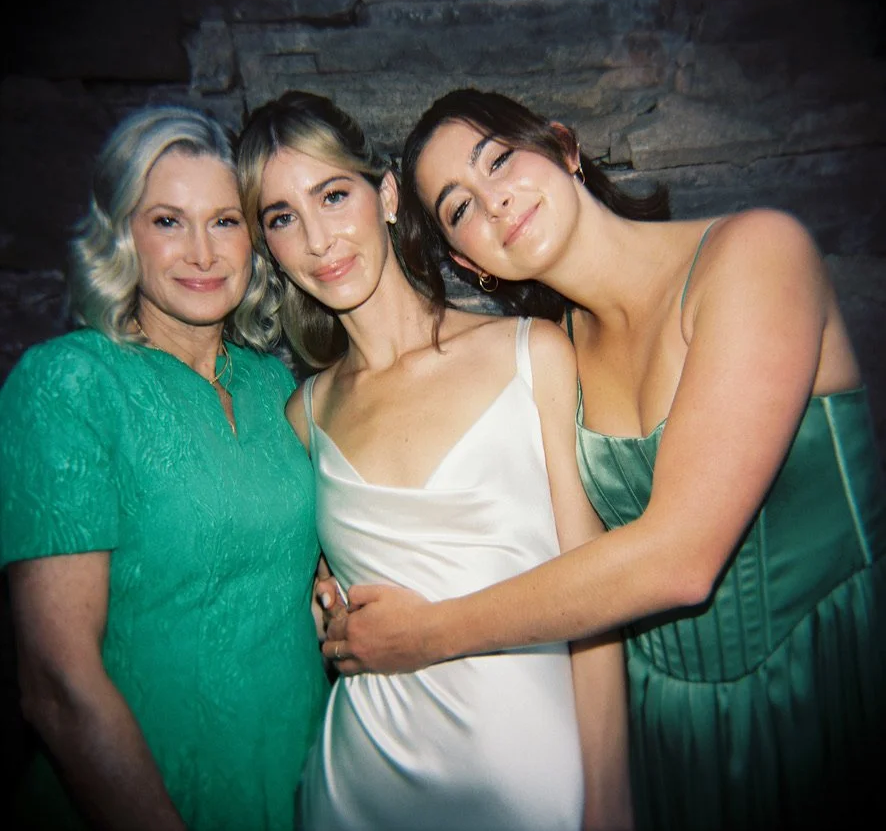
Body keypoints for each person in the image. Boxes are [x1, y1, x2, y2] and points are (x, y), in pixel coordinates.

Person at [321, 88, 886, 831]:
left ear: (564, 147)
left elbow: (682, 559)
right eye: (459, 209)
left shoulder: (756, 254)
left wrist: (429, 634)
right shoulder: (554, 356)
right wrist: (337, 558)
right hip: (660, 727)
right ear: (468, 262)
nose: (493, 201)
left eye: (499, 160)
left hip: (821, 686)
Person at [236, 90, 633, 831]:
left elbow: (598, 606)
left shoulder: (532, 354)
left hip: (534, 785)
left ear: (386, 195)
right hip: (360, 789)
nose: (319, 240)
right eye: (283, 218)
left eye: (333, 195)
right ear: (269, 250)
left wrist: (611, 804)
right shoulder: (304, 417)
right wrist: (320, 607)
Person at [0, 105, 330, 831]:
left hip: (292, 779)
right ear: (122, 235)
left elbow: (275, 580)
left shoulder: (272, 385)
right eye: (168, 221)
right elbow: (55, 685)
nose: (202, 253)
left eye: (224, 221)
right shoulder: (68, 386)